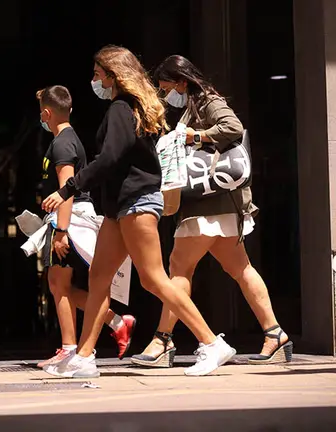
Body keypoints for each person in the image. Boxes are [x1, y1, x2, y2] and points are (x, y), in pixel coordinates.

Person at [41, 45, 236, 378]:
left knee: (153, 278)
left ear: (113, 76)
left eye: (97, 74)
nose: (94, 81)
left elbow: (111, 158)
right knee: (98, 278)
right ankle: (85, 357)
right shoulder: (136, 108)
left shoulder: (121, 108)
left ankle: (211, 343)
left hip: (136, 202)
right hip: (120, 208)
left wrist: (68, 189)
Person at [131, 55, 291, 367]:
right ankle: (275, 334)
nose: (166, 95)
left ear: (180, 81)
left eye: (166, 88)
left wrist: (196, 136)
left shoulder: (206, 100)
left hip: (205, 206)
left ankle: (162, 340)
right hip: (223, 205)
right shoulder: (196, 103)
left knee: (178, 269)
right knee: (241, 270)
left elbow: (232, 126)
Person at [34, 85, 136, 369]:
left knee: (59, 284)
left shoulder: (62, 144)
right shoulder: (67, 139)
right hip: (72, 217)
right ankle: (115, 322)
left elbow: (67, 188)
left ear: (46, 113)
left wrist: (62, 231)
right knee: (59, 284)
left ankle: (71, 348)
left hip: (70, 219)